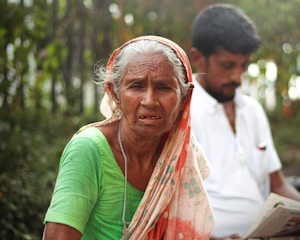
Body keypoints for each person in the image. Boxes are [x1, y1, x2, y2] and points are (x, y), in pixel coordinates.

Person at [43, 35, 214, 240]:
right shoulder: (89, 150)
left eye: (163, 87)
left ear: (184, 97)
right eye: (136, 86)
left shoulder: (180, 153)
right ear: (114, 93)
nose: (150, 101)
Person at [189, 3, 300, 239]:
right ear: (198, 58)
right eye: (228, 65)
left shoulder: (253, 110)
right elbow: (169, 201)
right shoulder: (182, 112)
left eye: (244, 65)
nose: (236, 77)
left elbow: (277, 184)